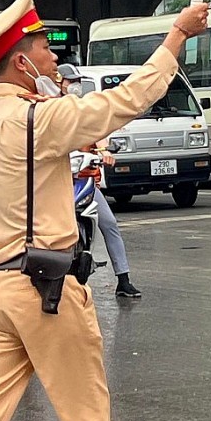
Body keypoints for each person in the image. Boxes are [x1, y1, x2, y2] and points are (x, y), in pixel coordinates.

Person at [0, 0, 208, 421]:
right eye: (45, 49)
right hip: (42, 290)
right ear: (21, 63)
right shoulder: (36, 120)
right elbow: (127, 99)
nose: (53, 60)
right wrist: (178, 34)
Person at [57, 64, 142, 298]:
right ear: (58, 83)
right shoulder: (50, 111)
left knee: (110, 224)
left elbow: (100, 137)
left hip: (84, 184)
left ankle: (123, 279)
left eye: (76, 81)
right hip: (55, 187)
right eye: (69, 81)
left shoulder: (85, 111)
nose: (73, 86)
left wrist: (105, 151)